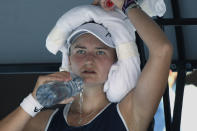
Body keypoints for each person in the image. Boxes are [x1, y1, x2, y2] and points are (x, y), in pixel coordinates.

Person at [0, 0, 173, 130]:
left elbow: (162, 50)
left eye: (100, 52)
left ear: (116, 62)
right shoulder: (46, 121)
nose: (89, 60)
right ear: (68, 60)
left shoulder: (130, 112)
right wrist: (34, 100)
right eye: (80, 51)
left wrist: (126, 3)